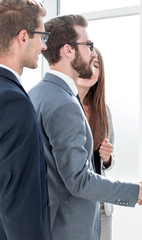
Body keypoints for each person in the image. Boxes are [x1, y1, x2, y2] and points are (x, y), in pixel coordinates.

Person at [28, 14, 142, 240]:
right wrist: (137, 190)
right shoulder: (64, 104)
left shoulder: (36, 94)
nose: (92, 52)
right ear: (68, 50)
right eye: (88, 45)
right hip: (69, 228)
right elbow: (79, 180)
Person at [0, 0, 51, 239]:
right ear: (23, 37)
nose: (43, 46)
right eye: (42, 37)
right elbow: (19, 197)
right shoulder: (14, 101)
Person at [76, 47, 115, 240]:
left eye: (96, 65)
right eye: (86, 63)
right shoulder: (61, 104)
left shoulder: (103, 110)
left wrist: (107, 158)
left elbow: (109, 161)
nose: (90, 69)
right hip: (74, 203)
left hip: (101, 204)